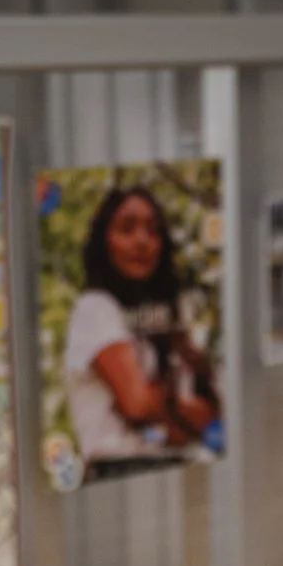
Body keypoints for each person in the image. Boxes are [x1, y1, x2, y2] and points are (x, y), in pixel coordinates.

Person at [59, 184, 219, 473]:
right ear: (104, 241)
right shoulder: (95, 307)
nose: (142, 241)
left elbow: (211, 413)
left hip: (181, 464)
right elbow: (138, 405)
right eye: (127, 228)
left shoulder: (168, 316)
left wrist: (171, 410)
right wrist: (180, 409)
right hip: (121, 470)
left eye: (153, 230)